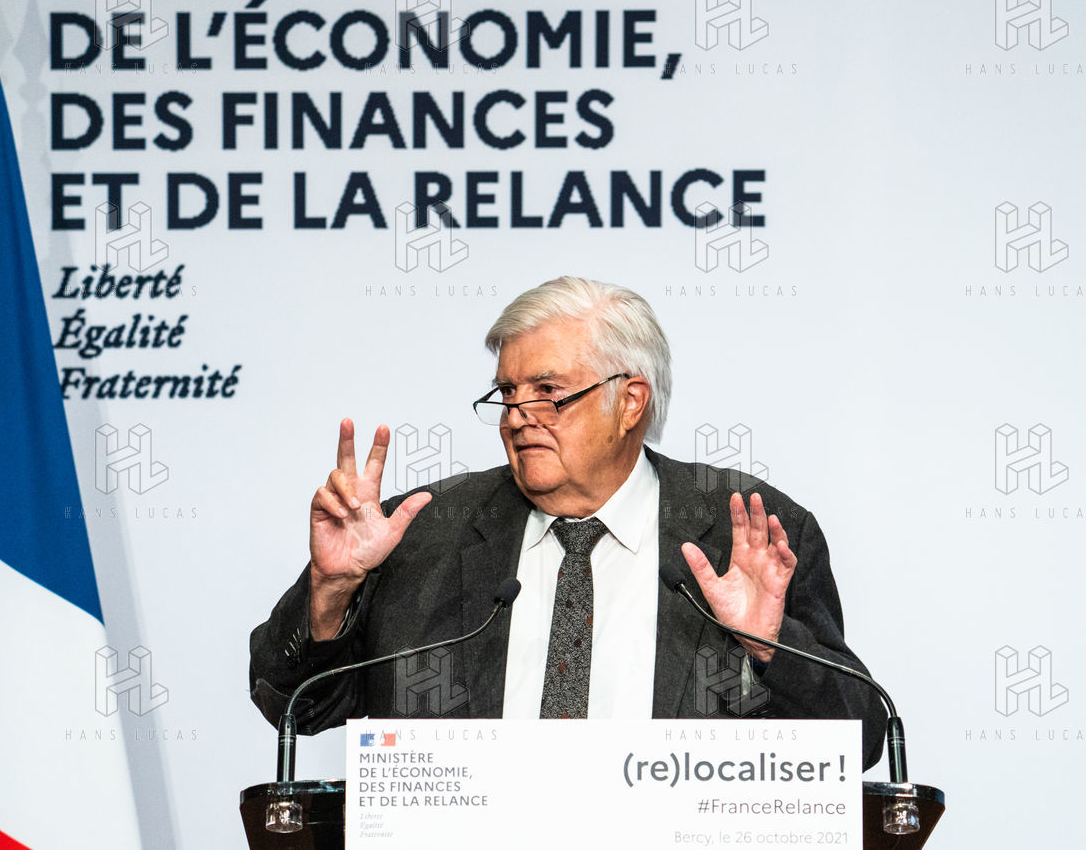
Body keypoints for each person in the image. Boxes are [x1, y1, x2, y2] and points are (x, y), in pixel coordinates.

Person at [249, 277, 886, 769]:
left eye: (548, 392)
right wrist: (332, 589)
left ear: (629, 402)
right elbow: (293, 705)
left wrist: (770, 646)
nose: (517, 415)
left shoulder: (746, 531)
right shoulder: (422, 532)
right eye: (507, 393)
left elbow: (857, 742)